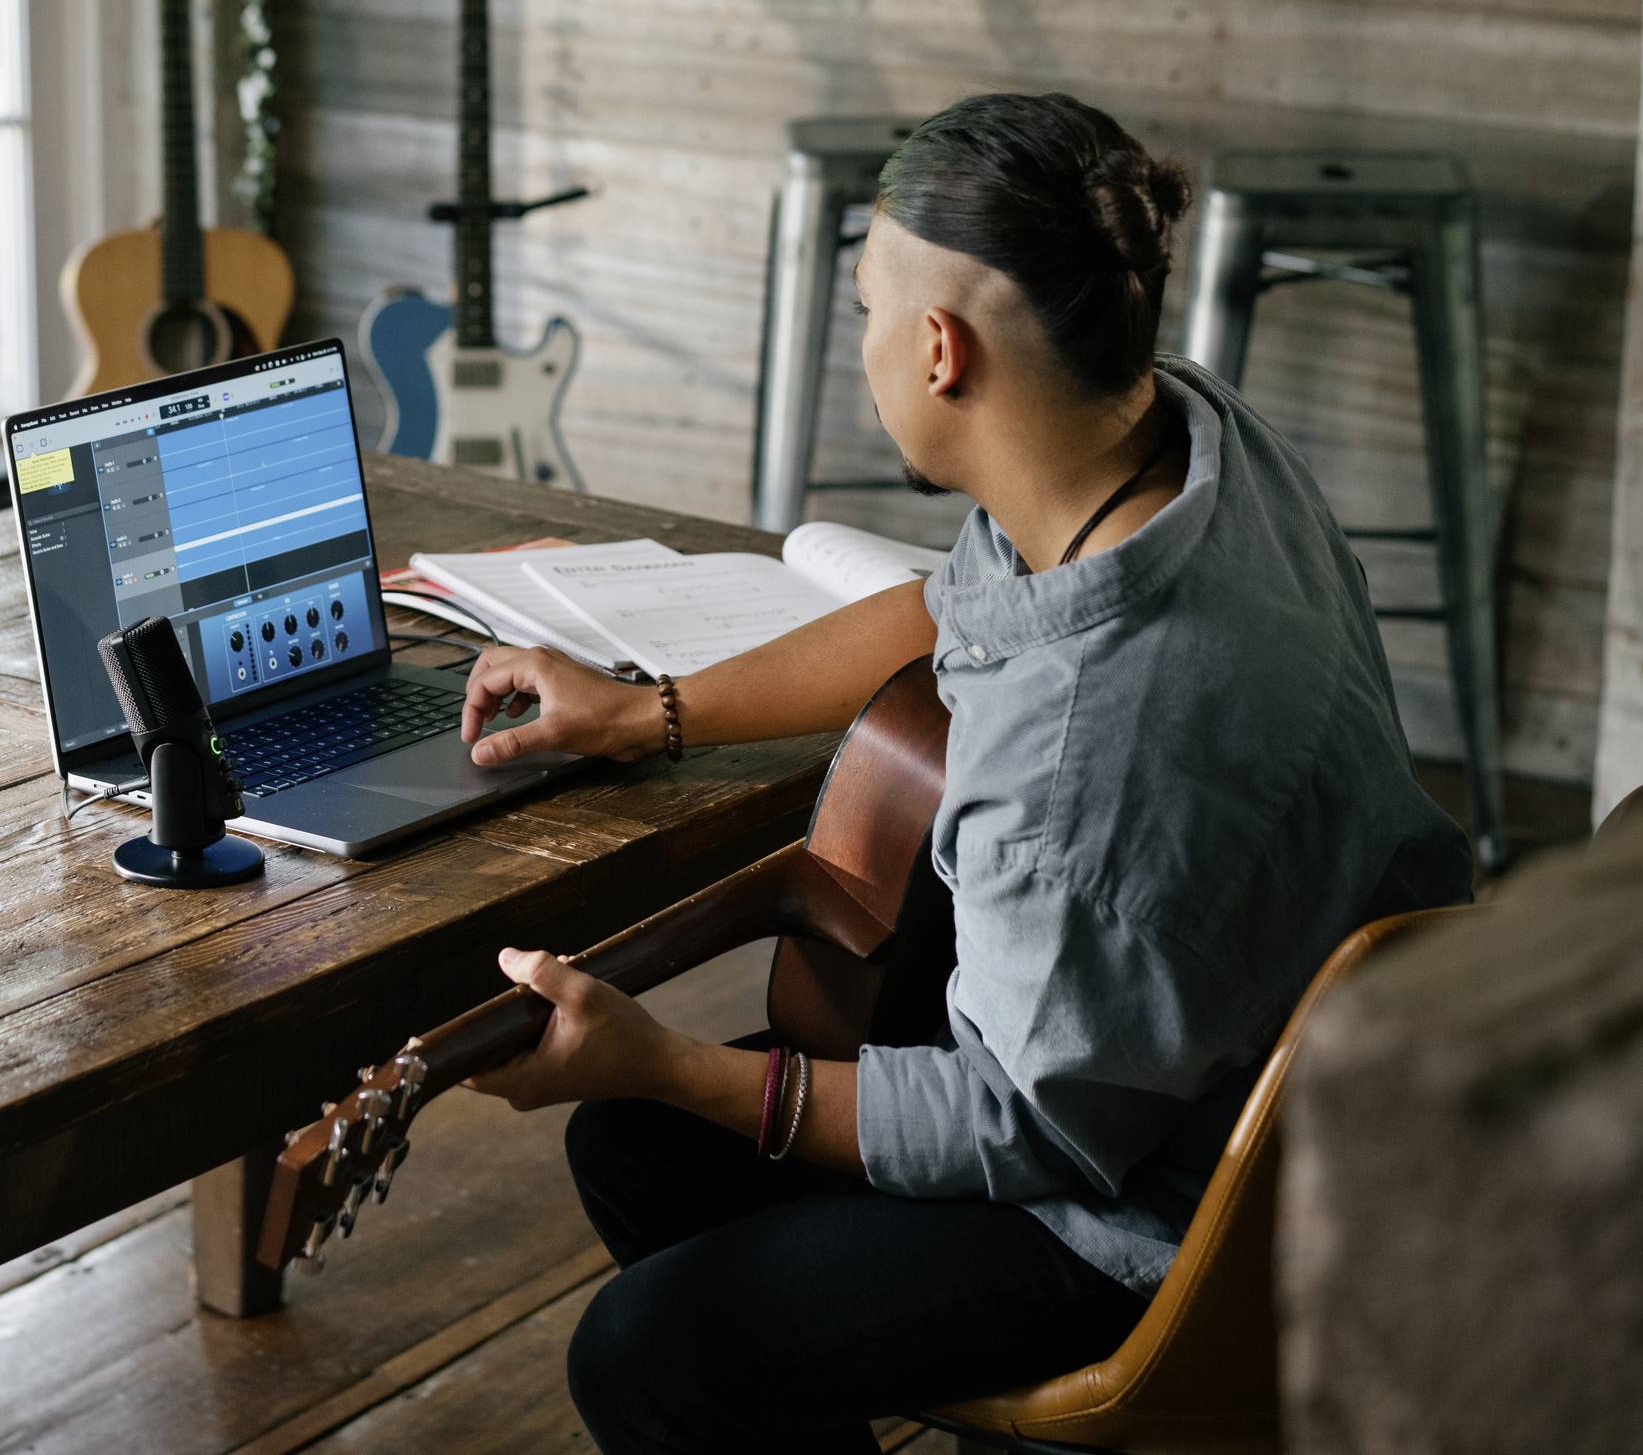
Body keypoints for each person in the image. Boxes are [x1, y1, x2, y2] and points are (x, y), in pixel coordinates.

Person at [454, 92, 1476, 1455]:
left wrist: (666, 1060)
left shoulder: (1086, 748)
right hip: (1306, 1064)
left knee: (647, 1349)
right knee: (629, 1149)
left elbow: (1010, 1128)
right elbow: (955, 609)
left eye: (866, 306)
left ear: (939, 351)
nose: (861, 340)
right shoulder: (1184, 445)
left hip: (1173, 1208)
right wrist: (647, 715)